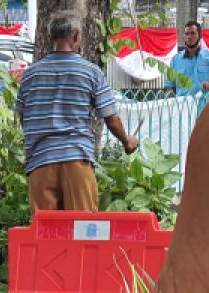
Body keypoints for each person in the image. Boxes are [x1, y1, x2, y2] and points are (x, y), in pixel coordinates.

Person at [14, 12, 138, 212]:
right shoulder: (91, 72)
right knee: (82, 231)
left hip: (40, 163)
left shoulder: (30, 75)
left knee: (44, 233)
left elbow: (23, 118)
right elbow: (111, 119)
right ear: (75, 36)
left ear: (51, 37)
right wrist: (127, 141)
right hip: (76, 161)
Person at [168, 21, 209, 96]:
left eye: (193, 33)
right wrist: (174, 105)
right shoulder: (175, 60)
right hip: (182, 105)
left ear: (199, 36)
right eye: (187, 34)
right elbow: (169, 86)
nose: (189, 36)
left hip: (204, 105)